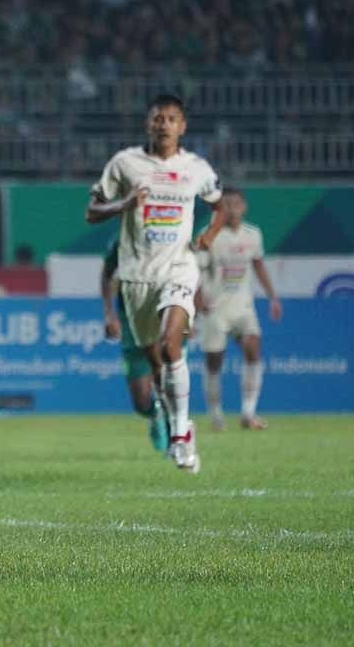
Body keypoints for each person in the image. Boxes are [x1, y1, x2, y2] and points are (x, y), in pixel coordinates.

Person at [85, 94, 226, 473]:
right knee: (158, 366)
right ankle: (180, 423)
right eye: (158, 118)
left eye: (171, 118)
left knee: (169, 344)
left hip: (179, 269)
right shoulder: (125, 163)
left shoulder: (196, 168)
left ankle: (180, 435)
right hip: (136, 279)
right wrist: (124, 204)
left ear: (183, 126)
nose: (164, 124)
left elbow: (219, 205)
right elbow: (92, 211)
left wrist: (210, 235)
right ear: (148, 124)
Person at [195, 187, 282, 430]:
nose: (231, 209)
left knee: (253, 349)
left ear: (244, 206)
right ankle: (216, 416)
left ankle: (248, 413)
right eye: (226, 204)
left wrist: (273, 297)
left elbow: (258, 265)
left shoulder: (252, 234)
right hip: (215, 308)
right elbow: (196, 271)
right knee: (214, 362)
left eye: (236, 204)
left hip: (243, 306)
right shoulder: (208, 235)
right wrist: (197, 302)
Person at [99, 231, 170, 451]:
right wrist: (109, 314)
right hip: (130, 319)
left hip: (162, 314)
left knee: (166, 374)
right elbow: (106, 276)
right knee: (140, 402)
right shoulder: (121, 241)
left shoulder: (170, 236)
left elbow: (188, 274)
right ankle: (155, 413)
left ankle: (178, 438)